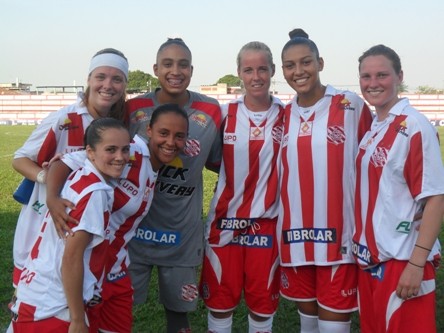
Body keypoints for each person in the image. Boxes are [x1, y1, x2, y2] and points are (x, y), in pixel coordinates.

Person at [45, 103, 189, 333]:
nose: (171, 142)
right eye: (164, 133)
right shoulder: (129, 151)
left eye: (179, 136)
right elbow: (65, 162)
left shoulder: (153, 166)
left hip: (118, 269)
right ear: (149, 130)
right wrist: (51, 198)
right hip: (90, 270)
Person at [277, 28, 373, 333]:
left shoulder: (349, 105)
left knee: (333, 326)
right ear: (283, 71)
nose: (298, 71)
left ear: (320, 62)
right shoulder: (284, 113)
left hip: (339, 239)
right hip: (295, 239)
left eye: (305, 62)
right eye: (290, 66)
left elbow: (376, 160)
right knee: (309, 324)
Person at [125, 37, 222, 332]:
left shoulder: (212, 110)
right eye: (168, 64)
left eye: (182, 64)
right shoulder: (133, 109)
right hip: (132, 233)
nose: (175, 71)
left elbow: (220, 164)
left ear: (191, 70)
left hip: (181, 235)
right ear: (156, 68)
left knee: (179, 316)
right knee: (117, 309)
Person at [10, 47, 129, 288]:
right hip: (44, 220)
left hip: (85, 227)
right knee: (31, 298)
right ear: (88, 79)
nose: (108, 85)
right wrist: (47, 179)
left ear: (124, 85)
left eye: (117, 79)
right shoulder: (63, 120)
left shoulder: (119, 125)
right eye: (101, 77)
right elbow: (20, 158)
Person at [352, 44, 444, 333]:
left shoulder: (414, 126)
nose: (373, 83)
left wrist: (416, 265)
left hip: (401, 262)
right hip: (371, 261)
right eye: (366, 77)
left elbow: (436, 199)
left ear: (399, 76)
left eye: (382, 75)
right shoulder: (376, 126)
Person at [10, 118, 131, 333]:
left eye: (125, 149)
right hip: (53, 306)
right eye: (111, 149)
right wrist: (76, 318)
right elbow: (72, 257)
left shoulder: (78, 176)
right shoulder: (95, 193)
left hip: (34, 293)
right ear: (90, 152)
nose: (120, 157)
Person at [199, 41, 284, 333]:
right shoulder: (225, 115)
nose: (256, 76)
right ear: (239, 73)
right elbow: (208, 159)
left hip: (267, 227)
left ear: (273, 71)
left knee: (261, 311)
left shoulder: (287, 115)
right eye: (249, 69)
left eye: (262, 68)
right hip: (225, 225)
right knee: (220, 307)